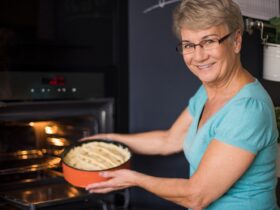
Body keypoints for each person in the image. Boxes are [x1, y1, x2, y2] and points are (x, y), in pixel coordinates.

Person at [84, 0, 279, 209]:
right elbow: (169, 141)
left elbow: (197, 196)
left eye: (209, 41)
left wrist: (133, 179)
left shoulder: (248, 109)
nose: (199, 56)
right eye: (188, 45)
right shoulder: (208, 91)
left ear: (236, 41)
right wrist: (108, 139)